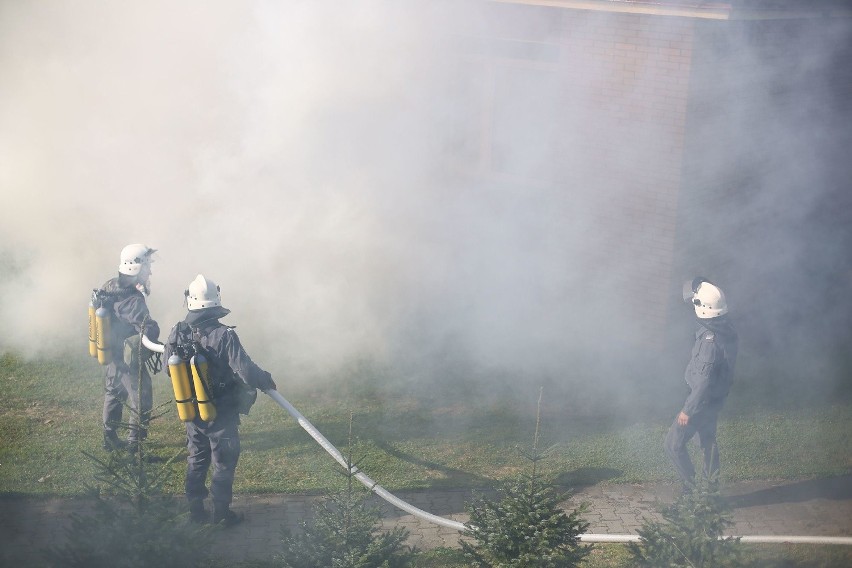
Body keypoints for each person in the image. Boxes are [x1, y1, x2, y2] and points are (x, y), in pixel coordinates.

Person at [163, 274, 277, 526]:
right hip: (221, 411)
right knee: (223, 462)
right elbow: (245, 370)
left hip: (191, 411)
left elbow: (167, 368)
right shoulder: (224, 336)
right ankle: (222, 515)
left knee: (197, 458)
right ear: (216, 302)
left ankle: (195, 513)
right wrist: (265, 379)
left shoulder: (177, 331)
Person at [664, 277, 738, 491]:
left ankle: (692, 492)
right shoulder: (726, 329)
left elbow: (703, 381)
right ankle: (710, 491)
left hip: (701, 401)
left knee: (673, 445)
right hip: (714, 398)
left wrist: (688, 410)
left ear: (704, 308)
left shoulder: (710, 341)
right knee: (707, 443)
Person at [97, 243, 160, 452]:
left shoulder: (110, 286)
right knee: (141, 400)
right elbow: (145, 328)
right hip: (128, 359)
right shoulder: (133, 300)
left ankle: (110, 437)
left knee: (114, 393)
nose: (150, 271)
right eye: (147, 266)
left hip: (112, 353)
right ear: (137, 268)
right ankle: (135, 448)